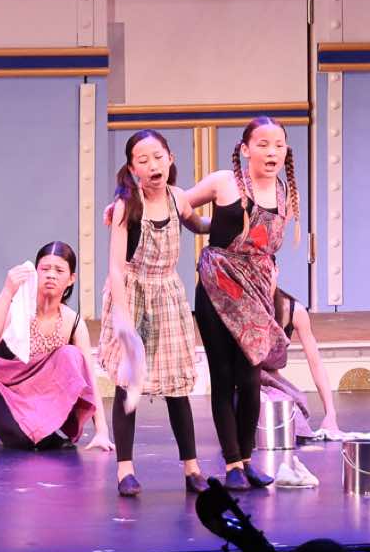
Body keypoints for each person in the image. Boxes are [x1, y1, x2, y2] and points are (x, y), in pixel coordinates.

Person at [185, 116, 301, 491]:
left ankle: (247, 460)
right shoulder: (225, 182)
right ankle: (232, 463)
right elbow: (178, 204)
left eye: (278, 144)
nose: (271, 151)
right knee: (223, 376)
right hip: (217, 287)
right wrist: (202, 225)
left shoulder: (284, 193)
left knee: (250, 378)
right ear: (246, 149)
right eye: (263, 144)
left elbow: (268, 248)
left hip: (256, 293)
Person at [99, 130, 212, 497]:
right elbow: (116, 266)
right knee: (127, 382)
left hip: (167, 294)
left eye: (158, 157)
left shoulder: (178, 198)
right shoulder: (126, 206)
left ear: (170, 158)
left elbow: (199, 224)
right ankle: (125, 470)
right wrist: (123, 318)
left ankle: (192, 468)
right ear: (133, 169)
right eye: (143, 160)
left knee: (176, 386)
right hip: (133, 294)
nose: (153, 165)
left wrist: (231, 218)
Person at [0, 243, 100, 450]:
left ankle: (44, 427)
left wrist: (102, 432)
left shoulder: (72, 322)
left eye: (59, 270)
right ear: (35, 273)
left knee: (71, 355)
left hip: (41, 400)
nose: (51, 275)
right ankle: (14, 428)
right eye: (45, 269)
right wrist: (8, 291)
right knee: (25, 442)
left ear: (71, 278)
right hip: (4, 394)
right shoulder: (19, 309)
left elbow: (89, 377)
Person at [259, 289, 343, 440]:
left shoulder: (294, 310)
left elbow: (315, 363)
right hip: (244, 380)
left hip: (271, 380)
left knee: (294, 406)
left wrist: (330, 414)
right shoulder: (245, 306)